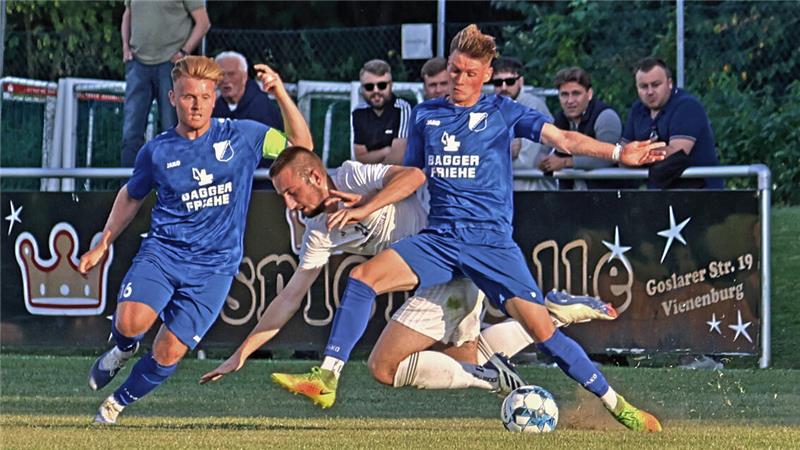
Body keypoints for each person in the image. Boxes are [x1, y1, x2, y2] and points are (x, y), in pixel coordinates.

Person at [274, 25, 666, 433]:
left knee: (544, 336)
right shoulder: (427, 114)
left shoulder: (503, 111)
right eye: (455, 70)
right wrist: (369, 201)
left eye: (469, 73)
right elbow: (412, 176)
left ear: (487, 73)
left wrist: (620, 152)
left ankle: (618, 405)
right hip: (441, 239)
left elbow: (563, 137)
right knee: (362, 277)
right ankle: (328, 376)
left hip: (490, 244)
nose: (459, 80)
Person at [199, 147, 617, 395]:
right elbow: (289, 297)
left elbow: (412, 176)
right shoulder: (318, 231)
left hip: (451, 253)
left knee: (383, 365)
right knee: (462, 356)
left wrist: (367, 204)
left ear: (315, 176)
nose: (288, 204)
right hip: (444, 277)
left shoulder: (355, 175)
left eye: (291, 192)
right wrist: (241, 353)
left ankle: (330, 374)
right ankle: (549, 314)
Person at [79, 56, 312, 425]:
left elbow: (303, 150)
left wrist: (280, 93)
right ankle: (122, 350)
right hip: (164, 253)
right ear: (172, 98)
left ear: (215, 97)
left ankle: (116, 404)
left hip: (215, 267)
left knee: (169, 351)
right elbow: (132, 195)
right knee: (130, 323)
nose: (197, 104)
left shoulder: (244, 136)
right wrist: (104, 241)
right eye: (189, 97)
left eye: (205, 96)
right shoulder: (156, 151)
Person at [120, 0, 210, 167]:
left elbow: (203, 22)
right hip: (137, 63)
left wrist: (183, 52)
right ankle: (130, 188)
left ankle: (175, 185)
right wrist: (125, 47)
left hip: (171, 65)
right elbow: (128, 14)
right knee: (131, 133)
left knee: (173, 129)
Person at [622, 57, 723, 189]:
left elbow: (676, 155)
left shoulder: (687, 106)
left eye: (656, 84)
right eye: (644, 86)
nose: (650, 92)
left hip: (700, 193)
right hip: (659, 194)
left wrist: (637, 153)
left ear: (670, 83)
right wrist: (628, 155)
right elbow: (622, 158)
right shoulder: (637, 109)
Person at [539, 66, 623, 190]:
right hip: (571, 197)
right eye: (564, 95)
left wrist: (565, 162)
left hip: (607, 196)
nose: (570, 100)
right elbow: (542, 149)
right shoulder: (560, 119)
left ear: (589, 94)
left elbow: (608, 157)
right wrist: (543, 161)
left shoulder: (605, 117)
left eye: (576, 93)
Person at [213, 50, 285, 189]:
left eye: (231, 74)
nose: (226, 80)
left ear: (244, 76)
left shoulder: (263, 109)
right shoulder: (215, 108)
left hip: (261, 185)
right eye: (221, 75)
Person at [490, 57, 556, 191]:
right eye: (498, 82)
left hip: (534, 192)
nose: (504, 87)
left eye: (509, 81)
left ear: (520, 81)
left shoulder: (533, 107)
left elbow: (527, 162)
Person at [351, 59, 412, 165]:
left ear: (391, 85)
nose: (376, 91)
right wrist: (386, 151)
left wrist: (377, 174)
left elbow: (399, 157)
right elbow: (360, 157)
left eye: (382, 85)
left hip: (397, 175)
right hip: (368, 176)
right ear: (362, 88)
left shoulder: (402, 109)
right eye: (369, 87)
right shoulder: (359, 112)